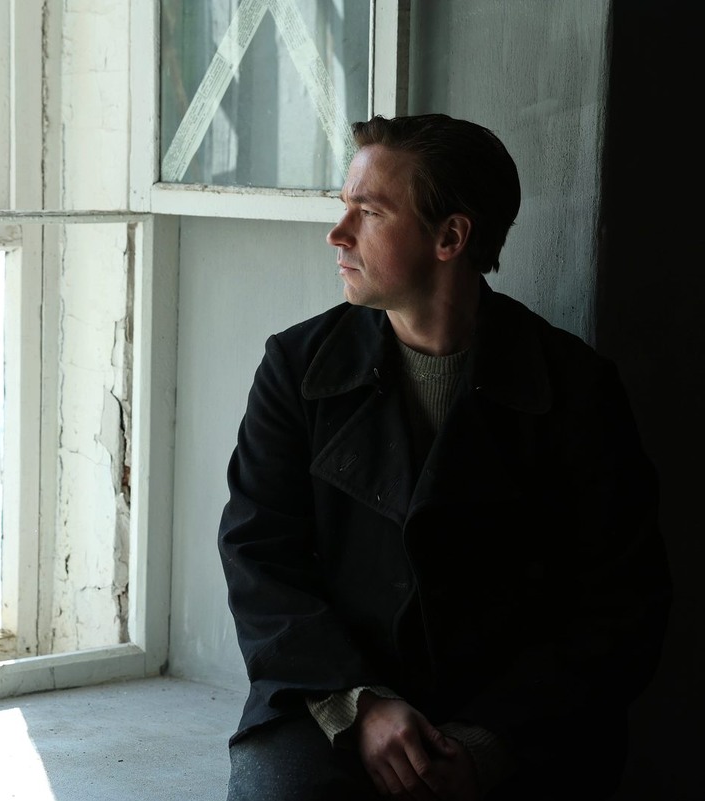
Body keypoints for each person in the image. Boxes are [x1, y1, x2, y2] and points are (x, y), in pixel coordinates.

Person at [217, 113, 671, 801]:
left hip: (523, 725)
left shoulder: (576, 388)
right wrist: (361, 704)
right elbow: (258, 558)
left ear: (451, 237)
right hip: (329, 703)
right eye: (345, 206)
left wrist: (487, 744)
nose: (338, 233)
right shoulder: (297, 367)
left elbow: (621, 603)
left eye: (370, 212)